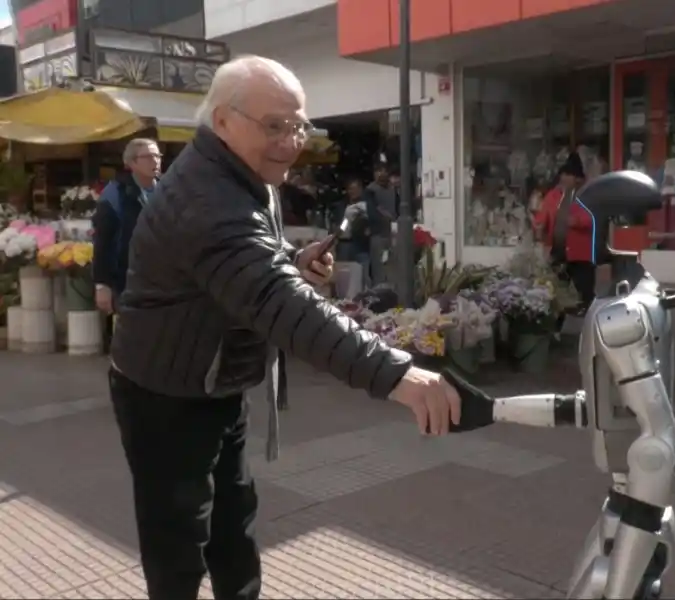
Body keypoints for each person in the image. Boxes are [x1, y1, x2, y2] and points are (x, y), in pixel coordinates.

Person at [108, 55, 461, 600]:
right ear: (223, 121)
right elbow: (277, 300)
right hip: (164, 393)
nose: (292, 141)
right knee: (178, 546)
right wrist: (398, 375)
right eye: (275, 125)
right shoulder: (207, 198)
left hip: (214, 379)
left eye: (299, 125)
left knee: (234, 524)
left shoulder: (246, 178)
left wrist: (292, 263)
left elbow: (252, 273)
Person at [91, 138, 161, 350]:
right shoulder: (115, 194)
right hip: (127, 279)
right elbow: (102, 241)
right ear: (131, 163)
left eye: (158, 156)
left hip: (163, 279)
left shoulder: (169, 190)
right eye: (148, 156)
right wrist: (102, 285)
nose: (155, 161)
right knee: (132, 343)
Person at [534, 155, 594, 310]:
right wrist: (539, 225)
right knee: (554, 291)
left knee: (584, 295)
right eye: (563, 174)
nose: (564, 178)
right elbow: (543, 214)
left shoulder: (586, 194)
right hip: (558, 252)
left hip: (580, 254)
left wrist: (576, 222)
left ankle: (585, 325)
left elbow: (593, 218)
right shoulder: (554, 195)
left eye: (568, 175)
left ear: (577, 178)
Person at [365, 160, 396, 285]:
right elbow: (371, 211)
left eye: (384, 170)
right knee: (379, 268)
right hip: (377, 234)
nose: (381, 173)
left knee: (392, 267)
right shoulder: (370, 190)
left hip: (393, 234)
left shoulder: (393, 189)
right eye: (378, 171)